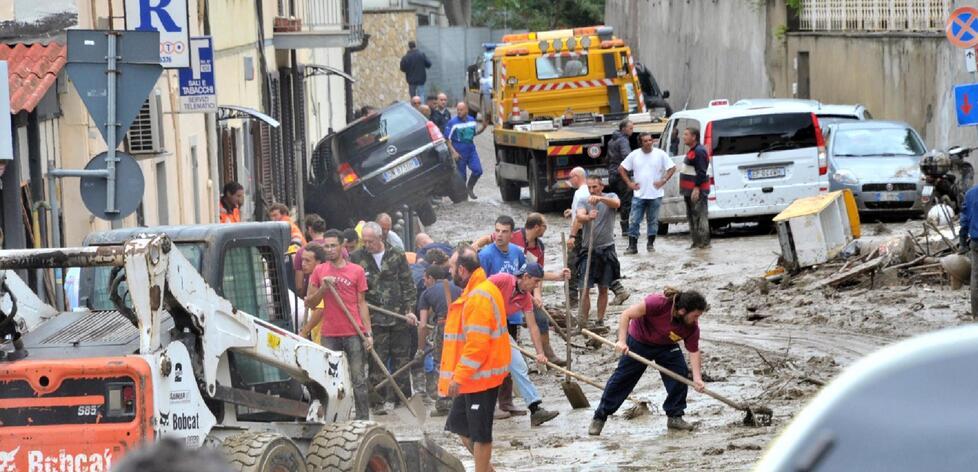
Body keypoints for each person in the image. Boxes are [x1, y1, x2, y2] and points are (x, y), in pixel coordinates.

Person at [589, 288, 709, 435]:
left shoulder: (692, 327)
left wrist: (697, 379)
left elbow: (694, 351)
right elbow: (626, 314)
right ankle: (599, 417)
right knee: (622, 380)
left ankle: (675, 417)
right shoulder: (657, 303)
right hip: (639, 341)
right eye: (695, 315)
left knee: (680, 374)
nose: (696, 320)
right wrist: (622, 341)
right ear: (683, 311)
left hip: (666, 346)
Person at [440, 246, 510, 472]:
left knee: (480, 434)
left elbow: (476, 347)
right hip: (474, 377)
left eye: (451, 267)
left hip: (481, 377)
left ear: (461, 269)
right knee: (459, 424)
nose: (449, 271)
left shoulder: (478, 297)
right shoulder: (477, 290)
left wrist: (457, 377)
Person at [472, 213, 567, 365]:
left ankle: (538, 356)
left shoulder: (517, 252)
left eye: (504, 231)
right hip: (492, 312)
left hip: (513, 308)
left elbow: (532, 273)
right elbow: (477, 287)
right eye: (497, 231)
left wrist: (557, 276)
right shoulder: (485, 255)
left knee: (512, 346)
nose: (499, 235)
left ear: (511, 234)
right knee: (494, 353)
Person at [301, 230, 373, 420]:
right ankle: (334, 419)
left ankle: (363, 420)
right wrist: (324, 287)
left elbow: (362, 303)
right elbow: (311, 303)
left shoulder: (356, 271)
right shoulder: (319, 271)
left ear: (342, 246)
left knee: (358, 378)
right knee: (330, 379)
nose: (330, 249)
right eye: (327, 246)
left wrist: (368, 333)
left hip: (353, 331)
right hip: (329, 334)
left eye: (333, 245)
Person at [350, 222, 417, 415]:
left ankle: (401, 399)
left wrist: (409, 310)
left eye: (371, 241)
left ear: (381, 239)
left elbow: (407, 284)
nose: (367, 245)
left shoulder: (396, 254)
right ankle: (377, 402)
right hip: (373, 319)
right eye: (365, 241)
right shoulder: (357, 257)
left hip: (398, 317)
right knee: (375, 360)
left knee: (401, 360)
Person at [487, 264, 561, 426]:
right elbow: (478, 291)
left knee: (519, 365)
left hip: (499, 331)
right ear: (525, 277)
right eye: (535, 282)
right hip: (479, 328)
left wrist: (540, 353)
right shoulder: (503, 279)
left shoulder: (526, 298)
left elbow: (533, 326)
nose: (536, 286)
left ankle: (535, 409)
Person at [619, 132, 677, 254]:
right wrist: (629, 183)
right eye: (645, 141)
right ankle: (632, 246)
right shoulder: (634, 155)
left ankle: (650, 244)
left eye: (650, 140)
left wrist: (663, 180)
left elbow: (672, 167)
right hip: (639, 194)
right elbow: (622, 168)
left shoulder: (660, 154)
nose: (649, 143)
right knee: (634, 220)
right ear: (640, 142)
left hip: (655, 194)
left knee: (653, 221)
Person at [576, 176, 622, 327]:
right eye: (589, 187)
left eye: (595, 187)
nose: (592, 190)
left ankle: (600, 320)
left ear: (602, 186)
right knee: (584, 288)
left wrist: (600, 199)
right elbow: (579, 216)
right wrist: (589, 217)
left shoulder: (611, 197)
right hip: (587, 250)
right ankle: (583, 321)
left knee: (604, 287)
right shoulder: (584, 200)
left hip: (607, 249)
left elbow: (617, 203)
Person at [418, 264, 463, 415]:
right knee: (459, 362)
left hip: (444, 326)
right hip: (462, 326)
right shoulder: (457, 287)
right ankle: (461, 400)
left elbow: (423, 325)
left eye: (425, 279)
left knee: (442, 364)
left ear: (431, 278)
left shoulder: (426, 293)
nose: (424, 283)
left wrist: (420, 348)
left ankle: (444, 402)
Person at [444, 102, 488, 200]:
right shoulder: (453, 122)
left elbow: (473, 133)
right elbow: (447, 139)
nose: (459, 112)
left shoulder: (472, 120)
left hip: (471, 150)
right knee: (462, 176)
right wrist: (453, 152)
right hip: (459, 152)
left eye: (461, 110)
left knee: (478, 170)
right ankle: (463, 196)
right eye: (458, 110)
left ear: (466, 110)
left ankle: (470, 187)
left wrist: (483, 128)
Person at [679, 127, 711, 248]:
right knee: (692, 217)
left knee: (700, 217)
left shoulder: (699, 151)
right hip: (689, 191)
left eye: (686, 134)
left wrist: (696, 188)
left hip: (696, 191)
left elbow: (702, 172)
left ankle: (704, 244)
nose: (683, 137)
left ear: (694, 137)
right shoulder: (693, 150)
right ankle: (696, 243)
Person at [607, 120, 635, 236]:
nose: (632, 131)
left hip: (612, 175)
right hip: (621, 176)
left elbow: (609, 157)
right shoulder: (623, 140)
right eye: (630, 128)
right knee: (626, 202)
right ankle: (625, 229)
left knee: (614, 203)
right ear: (623, 128)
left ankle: (609, 230)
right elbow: (627, 157)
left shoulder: (612, 140)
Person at [298, 244, 328, 344]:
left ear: (318, 262)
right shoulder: (312, 278)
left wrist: (305, 331)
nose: (303, 264)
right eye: (302, 260)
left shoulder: (322, 279)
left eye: (307, 261)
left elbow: (320, 309)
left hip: (325, 336)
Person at [294, 214, 328, 296]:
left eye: (307, 261)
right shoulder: (341, 250)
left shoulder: (302, 252)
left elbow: (299, 286)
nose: (304, 263)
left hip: (311, 297)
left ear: (309, 229)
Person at [959, 184, 978, 318]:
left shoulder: (970, 194)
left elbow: (964, 220)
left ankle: (976, 314)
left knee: (976, 278)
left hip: (976, 242)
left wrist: (962, 242)